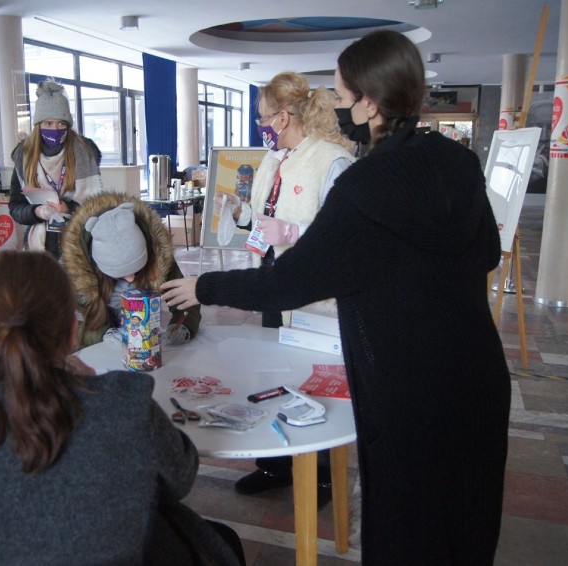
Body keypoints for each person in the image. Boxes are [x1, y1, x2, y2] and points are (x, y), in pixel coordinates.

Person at [162, 30, 511, 565]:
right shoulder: (459, 163)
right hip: (476, 372)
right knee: (468, 517)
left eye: (344, 97)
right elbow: (487, 251)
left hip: (406, 383)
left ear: (371, 102)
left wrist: (202, 286)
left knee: (407, 524)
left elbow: (290, 282)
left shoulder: (364, 185)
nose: (339, 108)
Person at [0, 250, 243, 566]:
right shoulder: (122, 408)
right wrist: (98, 389)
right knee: (221, 540)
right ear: (71, 333)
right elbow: (180, 476)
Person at [218, 71, 354, 503]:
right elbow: (264, 219)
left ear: (284, 115)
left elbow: (343, 236)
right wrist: (241, 213)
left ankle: (320, 476)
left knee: (315, 382)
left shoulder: (331, 160)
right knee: (276, 375)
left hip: (316, 296)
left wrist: (293, 233)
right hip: (274, 284)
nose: (260, 124)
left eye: (262, 116)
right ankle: (276, 463)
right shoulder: (274, 158)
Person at [61, 192, 200, 349]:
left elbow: (184, 299)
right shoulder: (76, 273)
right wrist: (103, 334)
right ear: (98, 266)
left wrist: (183, 325)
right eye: (120, 275)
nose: (131, 278)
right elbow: (72, 323)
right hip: (99, 350)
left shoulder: (159, 255)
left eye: (138, 268)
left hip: (143, 343)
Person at [9, 80, 102, 258]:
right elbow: (16, 207)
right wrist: (36, 212)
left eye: (61, 123)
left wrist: (68, 208)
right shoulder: (24, 156)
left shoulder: (85, 153)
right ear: (38, 125)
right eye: (48, 124)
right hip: (41, 247)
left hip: (81, 242)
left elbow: (98, 204)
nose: (56, 129)